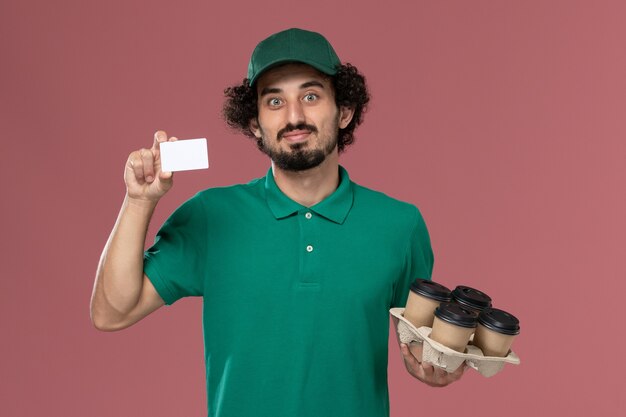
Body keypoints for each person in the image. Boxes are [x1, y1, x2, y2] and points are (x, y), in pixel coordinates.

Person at [90, 28, 464, 417]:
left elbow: (421, 344)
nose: (294, 116)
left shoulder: (399, 226)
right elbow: (111, 312)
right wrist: (138, 202)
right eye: (274, 101)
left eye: (311, 95)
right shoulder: (211, 215)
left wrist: (436, 365)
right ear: (254, 122)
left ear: (345, 112)